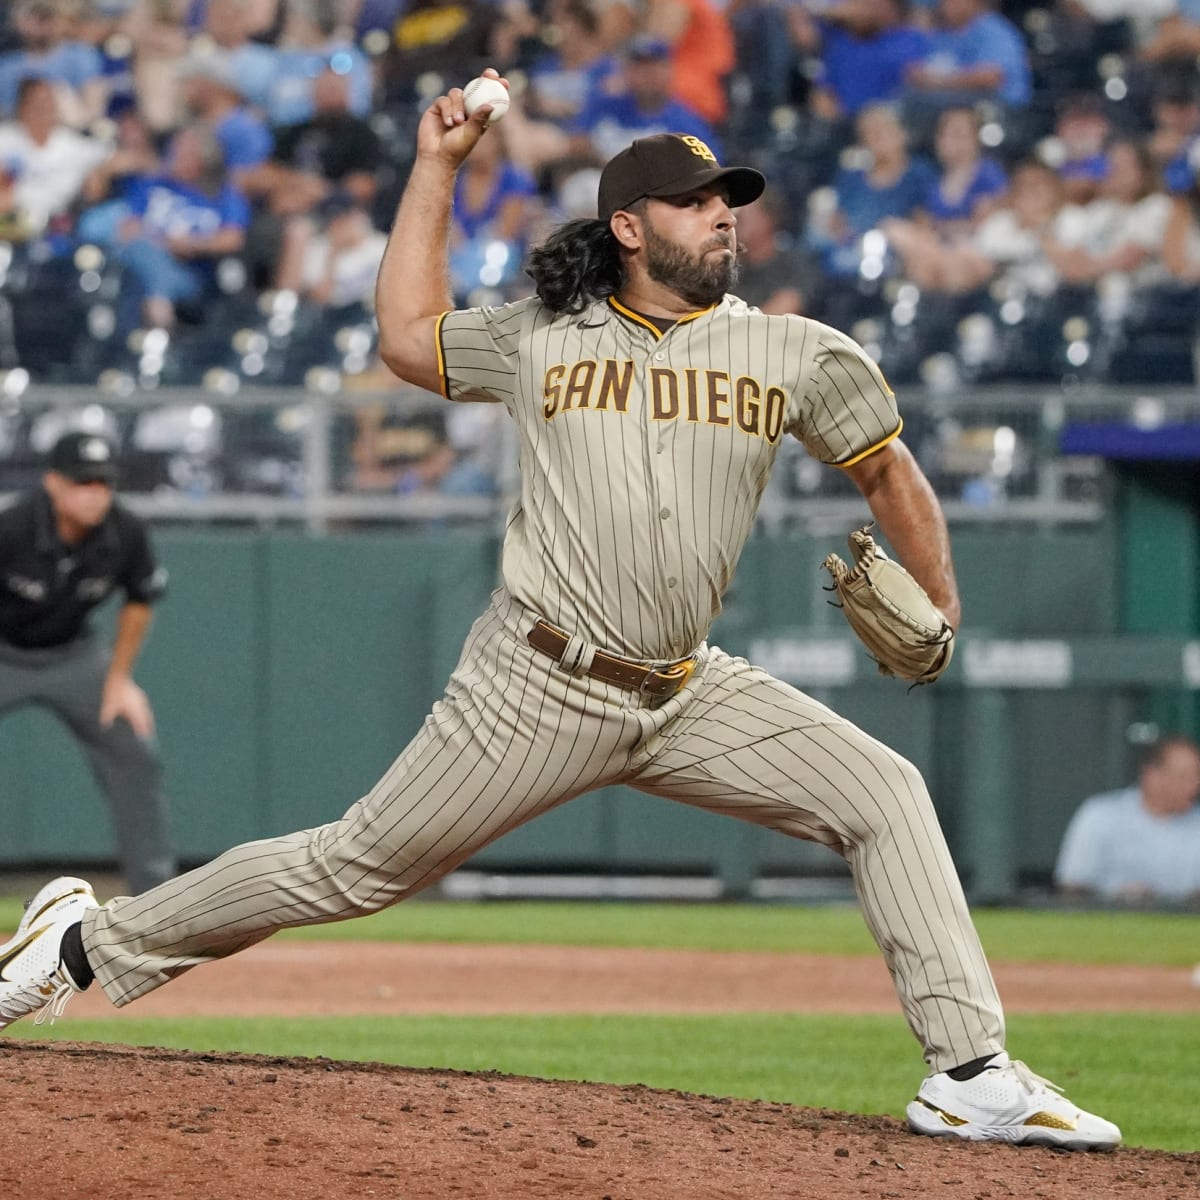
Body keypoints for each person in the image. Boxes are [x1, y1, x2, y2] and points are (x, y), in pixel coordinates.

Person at [0, 74, 1121, 1153]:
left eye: (730, 200)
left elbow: (891, 475)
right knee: (352, 868)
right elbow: (405, 335)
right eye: (696, 201)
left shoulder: (795, 351)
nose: (723, 217)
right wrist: (439, 164)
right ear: (631, 227)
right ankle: (88, 943)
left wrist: (944, 604)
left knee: (884, 792)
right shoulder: (546, 330)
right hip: (536, 682)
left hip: (689, 688)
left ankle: (969, 1074)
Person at [0, 431, 175, 896]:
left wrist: (119, 681)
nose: (95, 493)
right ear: (53, 483)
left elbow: (140, 600)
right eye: (83, 482)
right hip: (4, 655)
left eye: (103, 483)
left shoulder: (125, 532)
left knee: (135, 753)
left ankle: (156, 902)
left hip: (74, 658)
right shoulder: (13, 527)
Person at [1054, 734, 1200, 904]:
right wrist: (1118, 898)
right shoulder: (1100, 815)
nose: (1193, 786)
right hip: (1107, 924)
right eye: (1184, 776)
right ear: (1151, 775)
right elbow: (1073, 885)